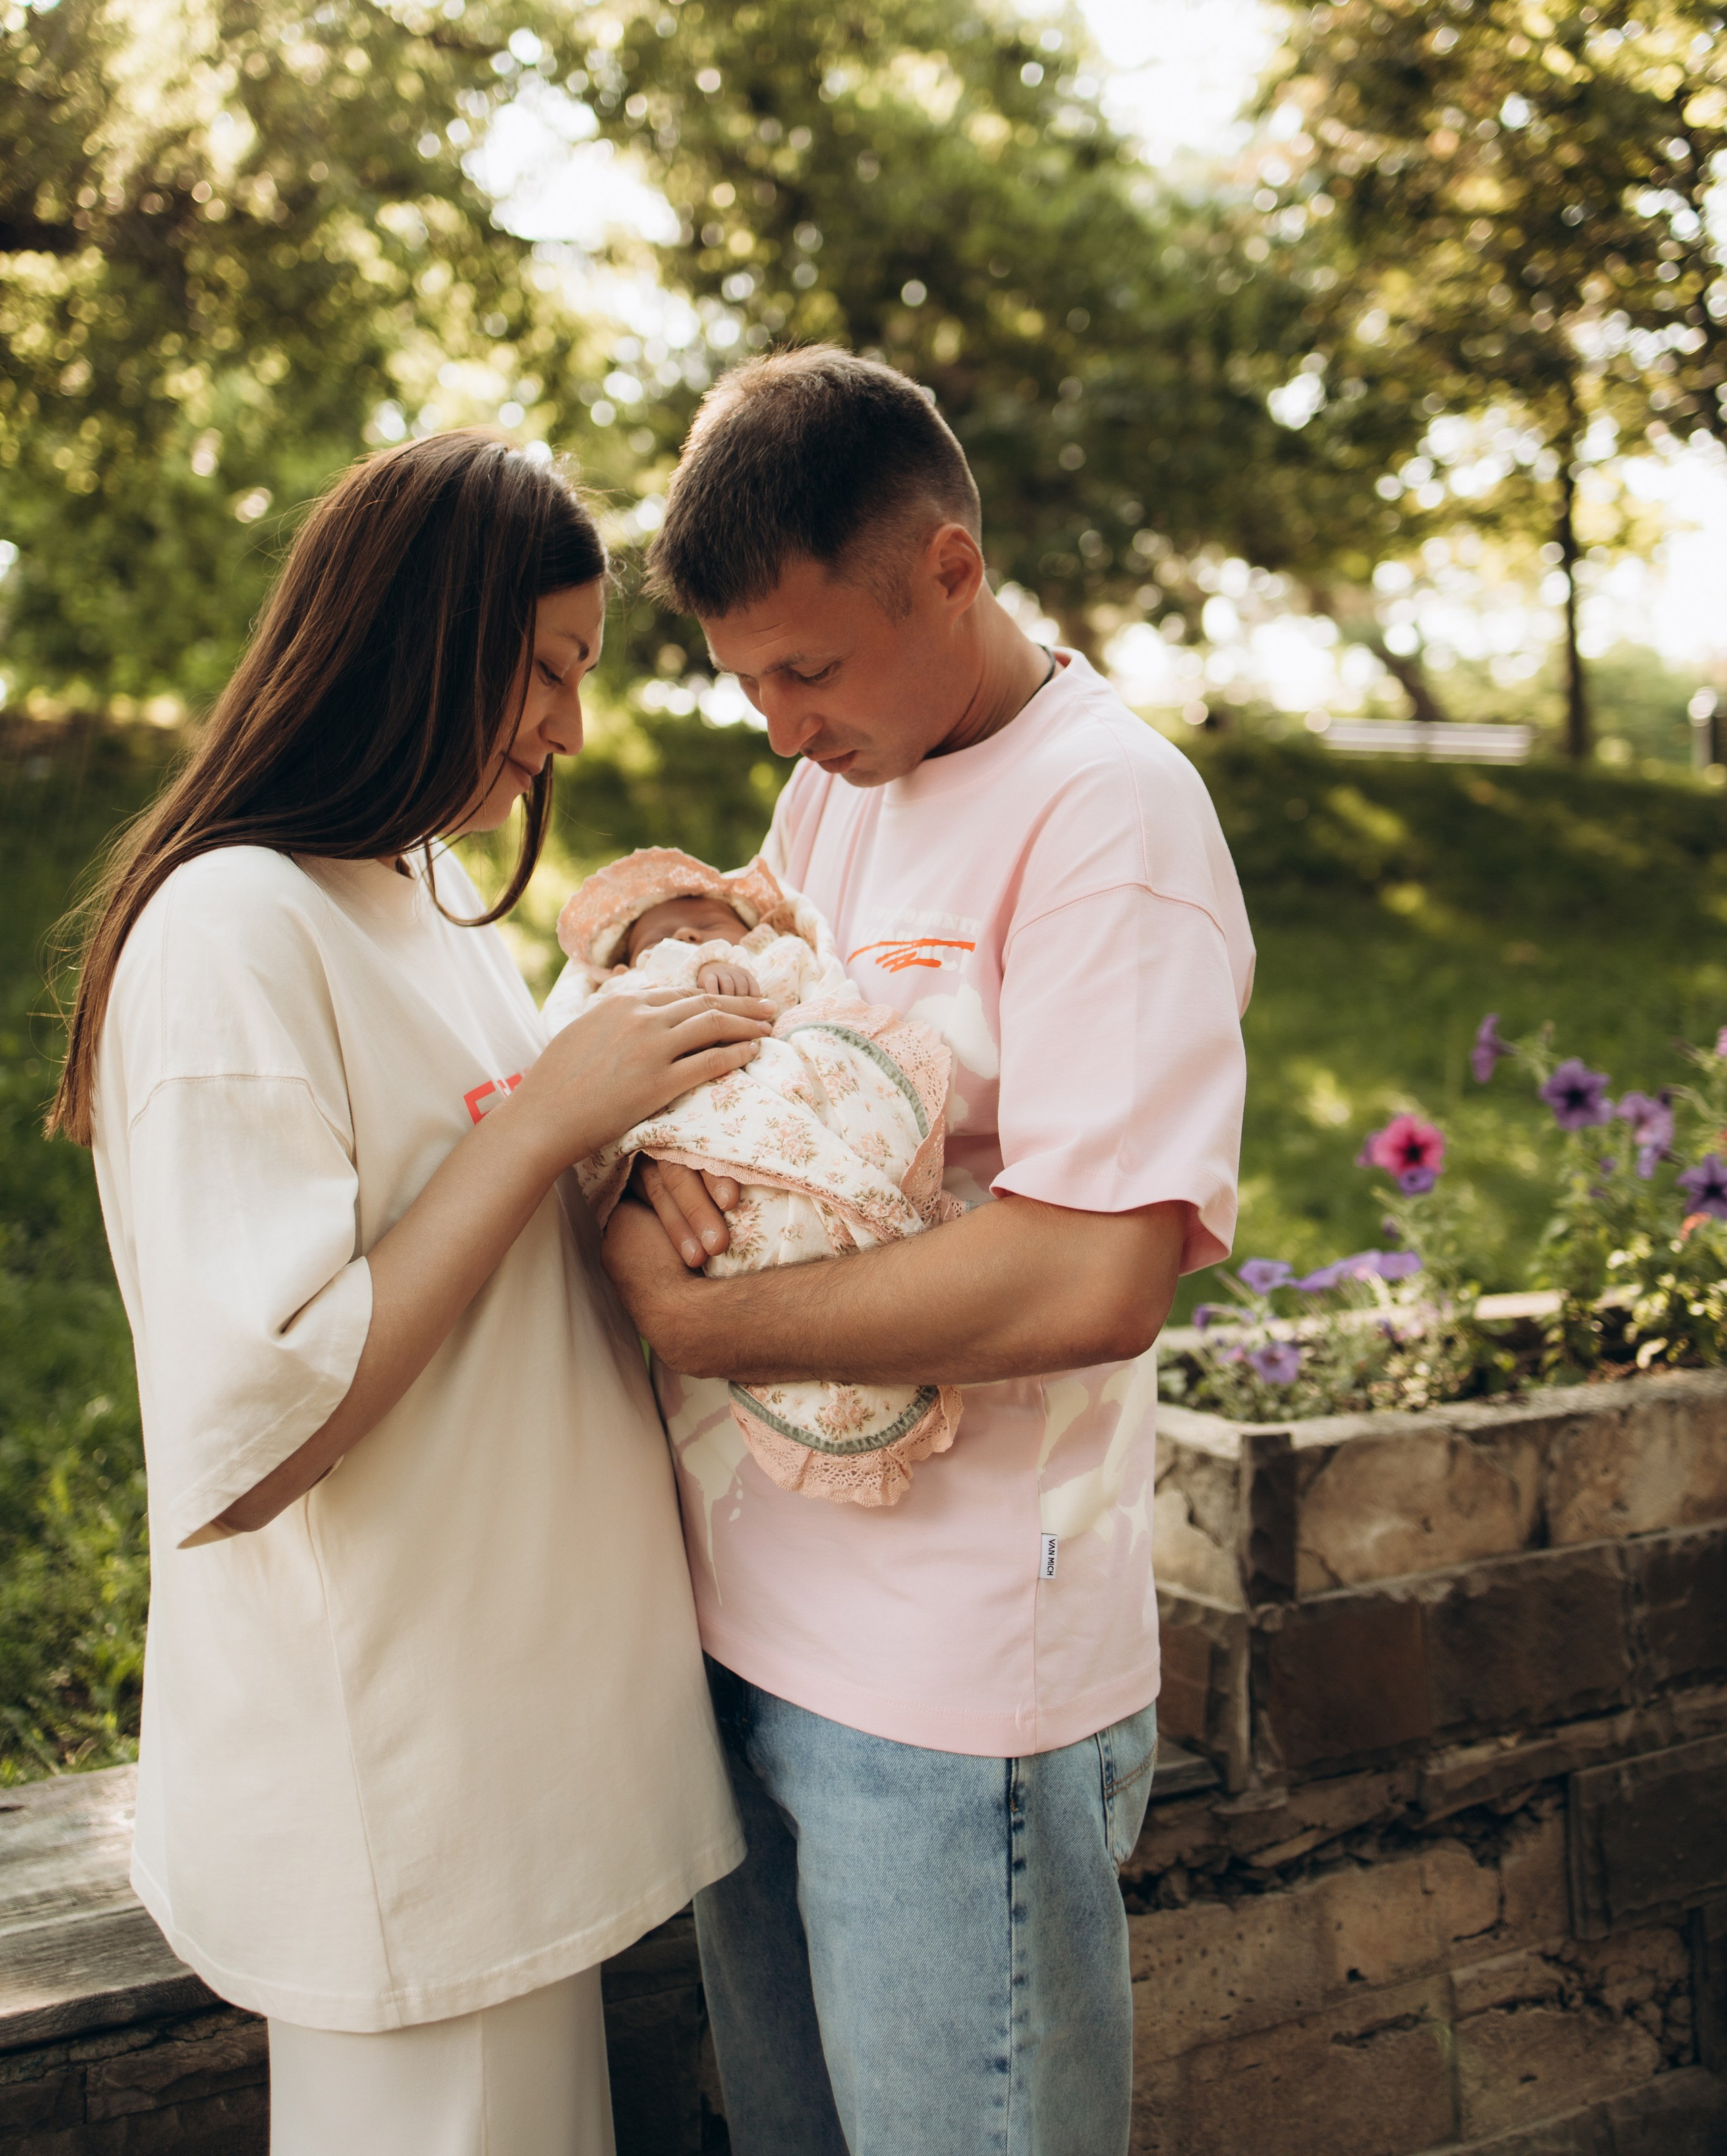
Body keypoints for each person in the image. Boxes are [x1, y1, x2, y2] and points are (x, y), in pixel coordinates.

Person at [48, 431, 775, 2155]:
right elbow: (264, 1420)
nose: (566, 730)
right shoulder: (231, 930)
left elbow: (488, 1206)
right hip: (398, 1774)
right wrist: (544, 1128)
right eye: (541, 669)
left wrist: (624, 1154)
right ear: (414, 642)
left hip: (511, 1745)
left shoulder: (420, 890)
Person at [602, 347, 1255, 2156]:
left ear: (950, 569)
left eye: (807, 667)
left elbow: (1092, 1273)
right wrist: (664, 1176)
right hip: (752, 1630)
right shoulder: (833, 790)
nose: (779, 729)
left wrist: (702, 1324)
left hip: (959, 1696)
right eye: (744, 683)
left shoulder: (1109, 821)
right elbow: (758, 1079)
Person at [546, 847, 963, 1506]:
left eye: (710, 926)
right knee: (747, 1231)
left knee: (833, 1190)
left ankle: (858, 1227)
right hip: (702, 1145)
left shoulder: (777, 957)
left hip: (790, 1088)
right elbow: (605, 1044)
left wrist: (740, 970)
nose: (686, 938)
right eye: (658, 938)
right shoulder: (627, 991)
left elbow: (808, 990)